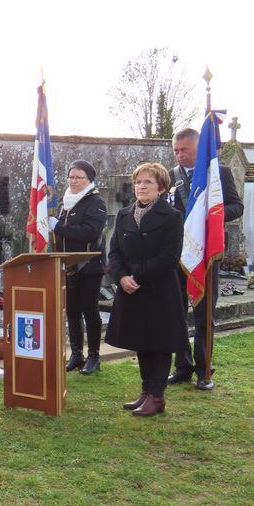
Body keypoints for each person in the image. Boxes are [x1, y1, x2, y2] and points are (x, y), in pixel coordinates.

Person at [104, 163, 187, 416]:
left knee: (160, 343)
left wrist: (136, 276)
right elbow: (114, 252)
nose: (141, 186)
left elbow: (170, 257)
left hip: (159, 290)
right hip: (131, 290)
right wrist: (120, 277)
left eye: (148, 182)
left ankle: (157, 396)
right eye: (138, 182)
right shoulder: (124, 214)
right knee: (141, 341)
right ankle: (145, 392)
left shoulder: (172, 216)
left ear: (161, 188)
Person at [167, 128, 244, 390]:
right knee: (177, 313)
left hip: (207, 255)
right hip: (178, 254)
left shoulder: (219, 172)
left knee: (204, 316)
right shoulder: (172, 175)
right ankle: (182, 367)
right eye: (176, 150)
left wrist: (212, 214)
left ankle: (204, 370)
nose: (179, 155)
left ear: (198, 149)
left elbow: (236, 206)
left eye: (184, 150)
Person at [49, 160, 108, 375]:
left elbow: (89, 232)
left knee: (89, 311)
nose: (73, 181)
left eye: (79, 177)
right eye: (71, 177)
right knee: (72, 311)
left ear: (89, 180)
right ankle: (76, 354)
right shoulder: (66, 201)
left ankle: (94, 357)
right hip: (69, 265)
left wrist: (59, 226)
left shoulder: (96, 202)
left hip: (89, 266)